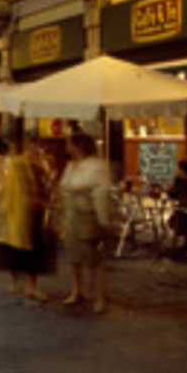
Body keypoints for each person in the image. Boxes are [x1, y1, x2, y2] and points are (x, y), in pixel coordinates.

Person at [0, 131, 54, 302]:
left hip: (28, 212)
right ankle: (23, 283)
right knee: (22, 249)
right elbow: (14, 188)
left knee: (27, 248)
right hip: (21, 212)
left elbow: (44, 184)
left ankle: (25, 284)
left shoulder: (35, 162)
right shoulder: (19, 163)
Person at [59, 133, 112, 313]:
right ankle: (77, 290)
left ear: (79, 146)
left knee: (92, 256)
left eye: (70, 144)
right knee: (74, 254)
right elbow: (64, 185)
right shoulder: (72, 165)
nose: (67, 148)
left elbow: (102, 187)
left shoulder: (97, 165)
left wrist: (79, 187)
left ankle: (99, 296)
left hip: (88, 212)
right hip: (72, 211)